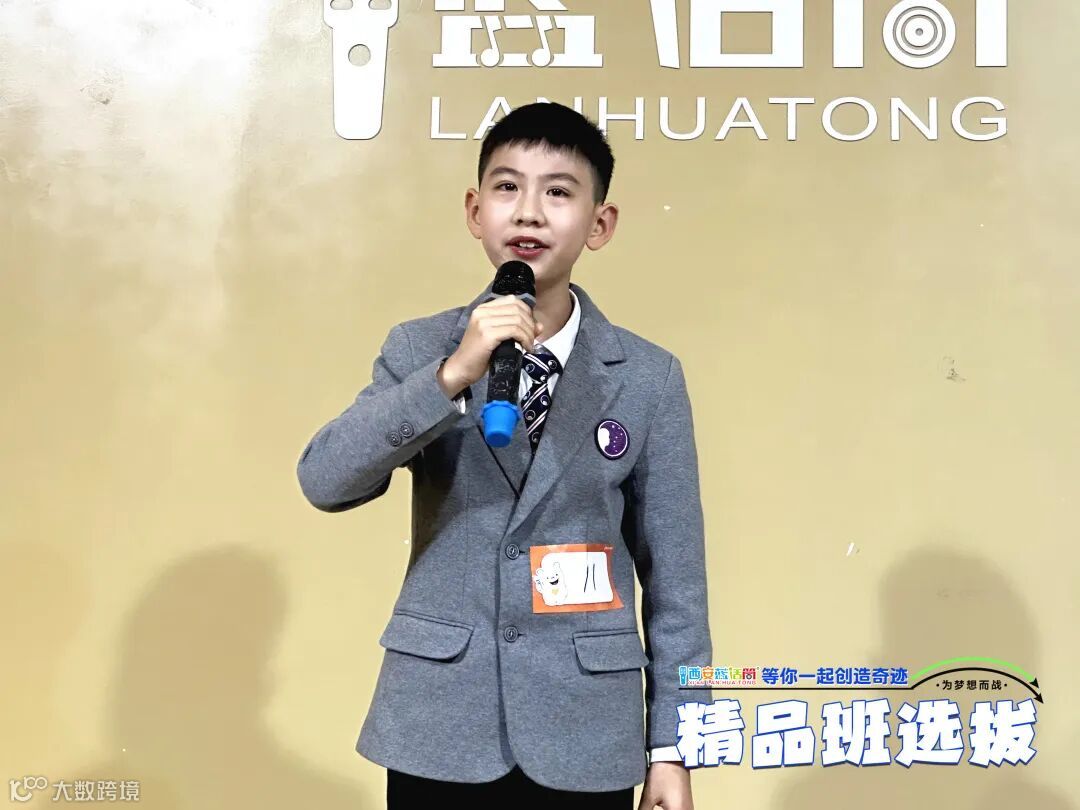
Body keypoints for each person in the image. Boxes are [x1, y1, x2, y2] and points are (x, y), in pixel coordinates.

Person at [296, 101, 713, 809]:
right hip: (440, 720)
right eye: (507, 186)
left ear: (600, 224)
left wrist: (675, 749)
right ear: (474, 210)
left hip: (585, 728)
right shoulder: (421, 349)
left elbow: (678, 584)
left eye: (558, 192)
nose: (528, 212)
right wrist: (450, 377)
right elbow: (325, 479)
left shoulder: (648, 377)